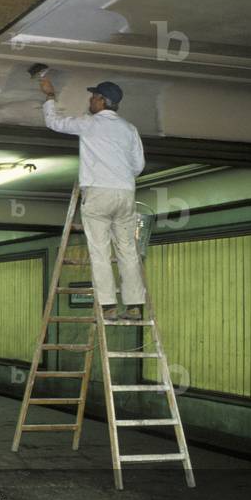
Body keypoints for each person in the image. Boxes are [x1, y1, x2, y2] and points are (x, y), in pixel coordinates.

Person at [40, 78, 146, 320]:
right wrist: (118, 174)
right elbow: (138, 166)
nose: (90, 99)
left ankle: (108, 305)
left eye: (93, 96)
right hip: (125, 193)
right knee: (128, 251)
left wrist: (49, 96)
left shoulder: (89, 123)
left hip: (98, 193)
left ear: (102, 101)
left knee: (100, 251)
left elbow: (54, 122)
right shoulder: (129, 129)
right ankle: (134, 305)